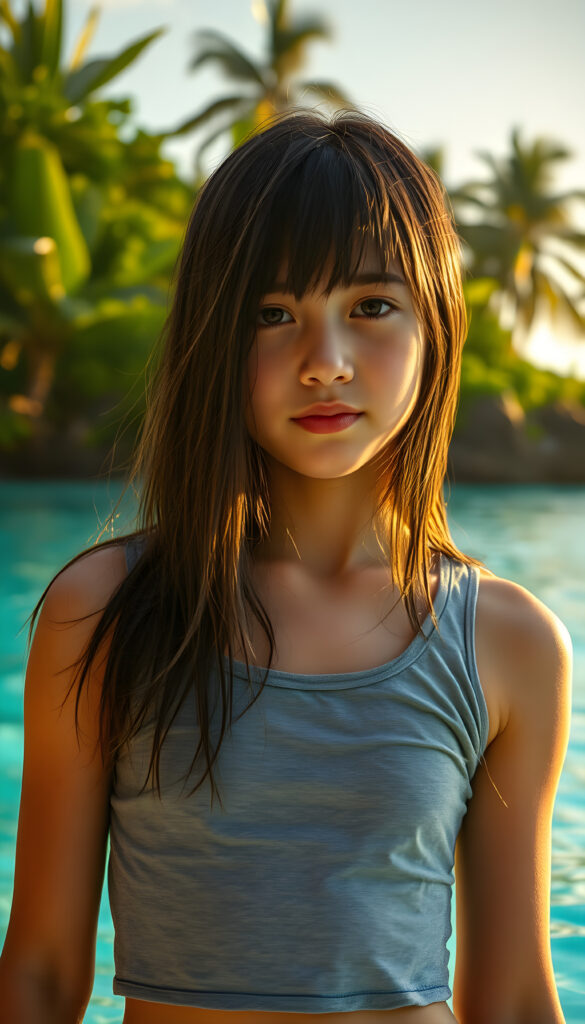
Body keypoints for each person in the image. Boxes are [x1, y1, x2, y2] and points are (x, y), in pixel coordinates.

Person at [0, 110, 572, 1024]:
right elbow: (37, 976)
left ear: (436, 325)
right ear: (213, 338)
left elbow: (508, 1000)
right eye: (273, 315)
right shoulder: (106, 611)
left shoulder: (506, 643)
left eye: (370, 307)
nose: (325, 363)